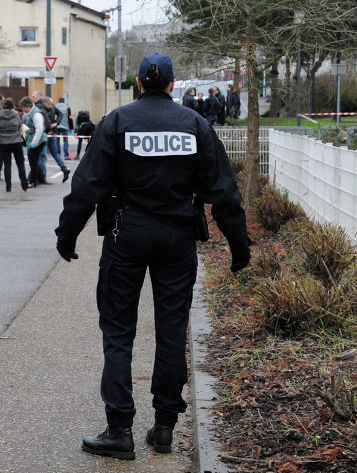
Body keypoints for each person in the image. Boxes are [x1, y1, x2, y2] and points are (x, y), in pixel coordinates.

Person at [55, 53, 250, 460]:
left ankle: (119, 430)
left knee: (118, 331)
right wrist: (239, 245)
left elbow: (87, 185)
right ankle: (164, 428)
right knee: (171, 330)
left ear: (139, 84)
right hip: (178, 237)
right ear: (173, 85)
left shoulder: (117, 121)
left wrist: (67, 234)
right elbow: (223, 190)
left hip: (128, 235)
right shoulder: (195, 124)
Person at [0, 98, 29, 192]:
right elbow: (20, 125)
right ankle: (24, 184)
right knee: (20, 163)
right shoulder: (16, 114)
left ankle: (8, 186)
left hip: (4, 141)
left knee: (7, 164)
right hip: (16, 140)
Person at [42, 96, 72, 182]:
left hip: (48, 132)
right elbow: (64, 115)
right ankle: (64, 167)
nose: (52, 106)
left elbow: (60, 114)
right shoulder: (46, 107)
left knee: (43, 155)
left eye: (52, 104)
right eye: (50, 104)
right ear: (46, 103)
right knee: (55, 152)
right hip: (55, 131)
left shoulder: (47, 108)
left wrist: (56, 123)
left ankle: (43, 177)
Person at [22, 95, 49, 187]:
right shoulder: (27, 113)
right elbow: (24, 126)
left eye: (24, 107)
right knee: (34, 160)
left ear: (29, 106)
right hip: (31, 139)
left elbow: (39, 130)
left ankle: (33, 180)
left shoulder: (36, 114)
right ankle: (40, 178)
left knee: (32, 160)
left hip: (39, 140)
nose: (23, 109)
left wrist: (34, 143)